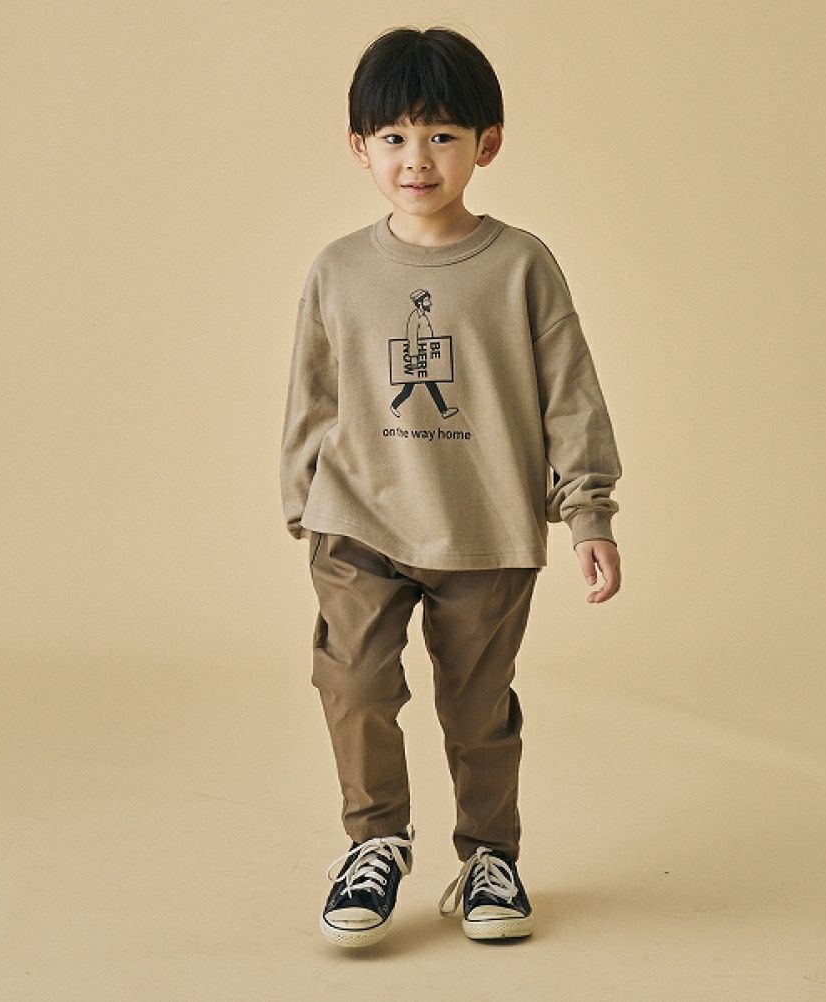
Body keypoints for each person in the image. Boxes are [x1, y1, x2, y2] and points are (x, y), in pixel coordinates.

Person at [279, 25, 623, 948]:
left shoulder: (520, 266)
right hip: (357, 522)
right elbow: (314, 393)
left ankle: (488, 857)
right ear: (360, 148)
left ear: (487, 143)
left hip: (486, 527)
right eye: (393, 137)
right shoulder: (339, 269)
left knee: (477, 709)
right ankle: (375, 841)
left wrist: (588, 511)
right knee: (352, 683)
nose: (417, 159)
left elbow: (570, 392)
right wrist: (303, 498)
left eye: (441, 135)